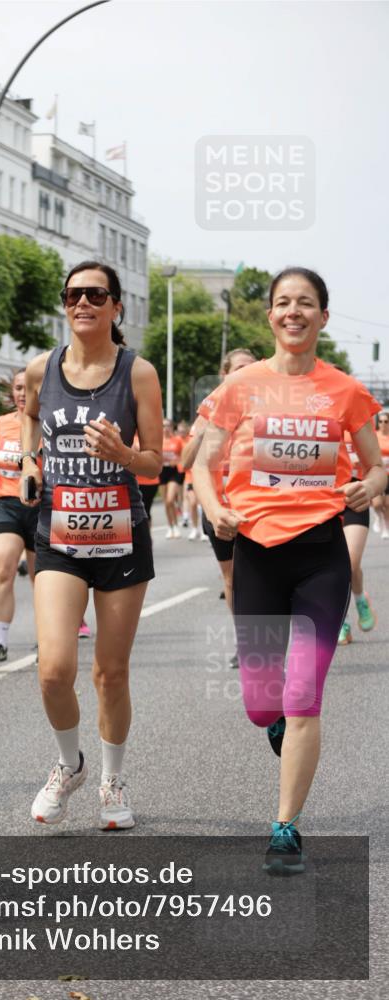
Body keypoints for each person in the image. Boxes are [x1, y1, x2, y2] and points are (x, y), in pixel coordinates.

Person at [193, 267, 386, 876]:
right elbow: (203, 463)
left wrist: (368, 485)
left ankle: (285, 827)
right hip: (256, 551)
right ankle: (277, 726)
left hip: (320, 553)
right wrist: (215, 506)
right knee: (260, 704)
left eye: (306, 303)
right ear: (270, 316)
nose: (293, 311)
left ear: (323, 318)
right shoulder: (242, 386)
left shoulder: (346, 391)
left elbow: (380, 467)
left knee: (304, 697)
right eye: (283, 303)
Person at [20, 260, 163, 830]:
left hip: (122, 536)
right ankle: (68, 764)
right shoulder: (40, 368)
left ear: (116, 306)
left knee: (110, 671)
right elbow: (30, 421)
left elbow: (155, 460)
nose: (83, 303)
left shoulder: (138, 373)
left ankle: (111, 778)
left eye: (96, 294)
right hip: (59, 535)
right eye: (74, 294)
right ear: (65, 304)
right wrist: (31, 463)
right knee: (54, 668)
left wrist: (124, 455)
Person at [182, 349, 257, 608]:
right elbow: (185, 461)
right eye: (240, 369)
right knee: (233, 578)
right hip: (219, 510)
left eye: (252, 367)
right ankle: (245, 643)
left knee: (265, 580)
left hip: (258, 509)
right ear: (225, 375)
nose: (246, 374)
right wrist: (204, 432)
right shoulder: (210, 409)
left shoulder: (267, 409)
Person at [0, 369, 39, 665]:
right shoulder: (1, 422)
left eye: (28, 387)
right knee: (4, 568)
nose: (22, 393)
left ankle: (47, 640)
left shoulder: (48, 422)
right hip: (6, 504)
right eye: (17, 388)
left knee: (42, 579)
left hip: (42, 506)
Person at [337, 431, 376, 643]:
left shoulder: (359, 428)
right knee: (332, 566)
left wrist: (372, 488)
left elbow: (375, 465)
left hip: (354, 496)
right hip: (323, 497)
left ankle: (360, 599)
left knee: (350, 563)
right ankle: (341, 619)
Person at [160, 418, 184, 538]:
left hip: (174, 472)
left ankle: (176, 525)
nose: (166, 428)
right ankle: (170, 527)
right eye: (163, 426)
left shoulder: (177, 440)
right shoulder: (158, 440)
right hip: (161, 471)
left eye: (168, 425)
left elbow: (183, 456)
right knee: (166, 502)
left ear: (172, 427)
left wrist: (177, 461)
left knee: (170, 499)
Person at [372, 411, 389, 538]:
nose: (383, 424)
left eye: (386, 421)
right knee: (377, 504)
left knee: (387, 504)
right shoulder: (374, 436)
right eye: (381, 421)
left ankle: (386, 526)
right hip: (378, 472)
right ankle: (378, 517)